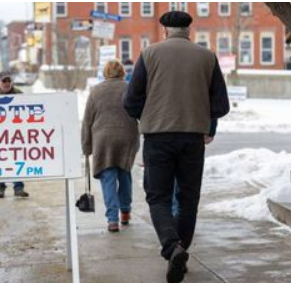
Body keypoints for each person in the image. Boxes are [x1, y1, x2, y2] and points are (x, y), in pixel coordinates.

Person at [124, 11, 229, 283]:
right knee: (188, 199)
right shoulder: (207, 57)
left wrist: (147, 115)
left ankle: (172, 247)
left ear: (165, 31)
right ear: (189, 30)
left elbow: (131, 100)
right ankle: (181, 250)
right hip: (193, 138)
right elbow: (221, 105)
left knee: (158, 197)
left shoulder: (149, 54)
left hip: (158, 137)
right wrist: (202, 118)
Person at [82, 60, 140, 233]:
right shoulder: (129, 87)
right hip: (126, 137)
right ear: (122, 72)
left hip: (103, 139)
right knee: (124, 174)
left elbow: (87, 121)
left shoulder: (95, 91)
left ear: (105, 72)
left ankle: (112, 220)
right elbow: (139, 111)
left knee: (108, 178)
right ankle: (125, 211)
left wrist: (86, 147)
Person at [0, 70, 29, 199]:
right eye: (4, 81)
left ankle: (19, 188)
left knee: (17, 159)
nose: (6, 83)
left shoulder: (19, 94)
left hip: (15, 134)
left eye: (9, 81)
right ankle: (0, 188)